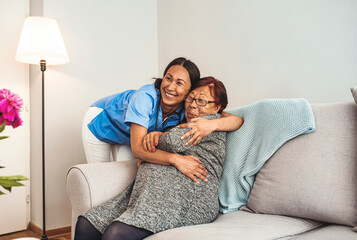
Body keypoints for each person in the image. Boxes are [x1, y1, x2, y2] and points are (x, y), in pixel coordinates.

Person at [75, 77, 236, 240]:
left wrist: (155, 138)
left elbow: (167, 142)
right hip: (151, 194)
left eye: (201, 100)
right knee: (87, 223)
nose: (193, 104)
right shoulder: (153, 99)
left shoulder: (206, 125)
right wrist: (156, 145)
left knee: (115, 233)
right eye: (191, 98)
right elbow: (147, 147)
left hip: (188, 201)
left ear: (217, 107)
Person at [82, 57, 242, 164]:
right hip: (101, 122)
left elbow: (236, 120)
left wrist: (211, 125)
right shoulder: (145, 96)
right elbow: (138, 149)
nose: (170, 87)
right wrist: (177, 160)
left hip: (129, 135)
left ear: (189, 89)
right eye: (168, 78)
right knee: (101, 173)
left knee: (126, 178)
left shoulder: (187, 105)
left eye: (179, 83)